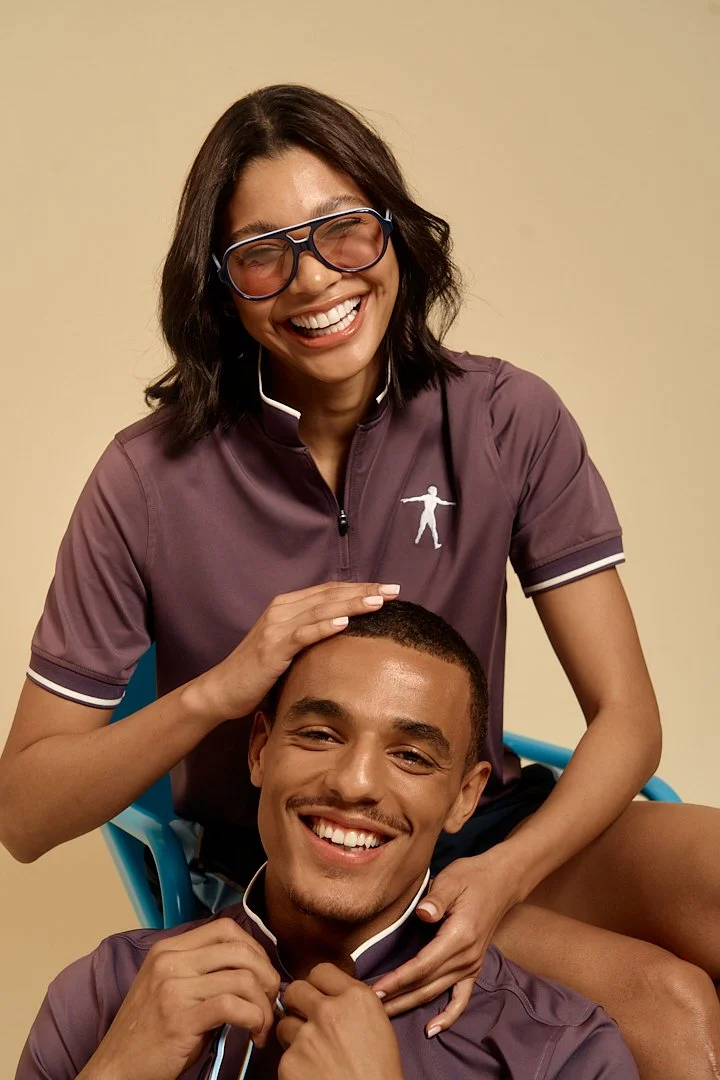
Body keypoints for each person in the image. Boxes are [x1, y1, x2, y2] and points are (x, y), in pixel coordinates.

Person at [0, 83, 718, 1076]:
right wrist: (222, 686)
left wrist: (503, 877)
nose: (312, 280)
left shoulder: (508, 418)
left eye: (343, 230)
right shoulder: (145, 479)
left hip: (485, 826)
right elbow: (24, 813)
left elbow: (629, 720)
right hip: (307, 861)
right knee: (670, 1003)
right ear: (220, 286)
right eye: (262, 254)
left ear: (393, 232)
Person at [16, 603, 638, 1080]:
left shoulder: (564, 1055)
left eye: (412, 756)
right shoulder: (106, 992)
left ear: (465, 798)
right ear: (259, 749)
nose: (354, 783)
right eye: (319, 734)